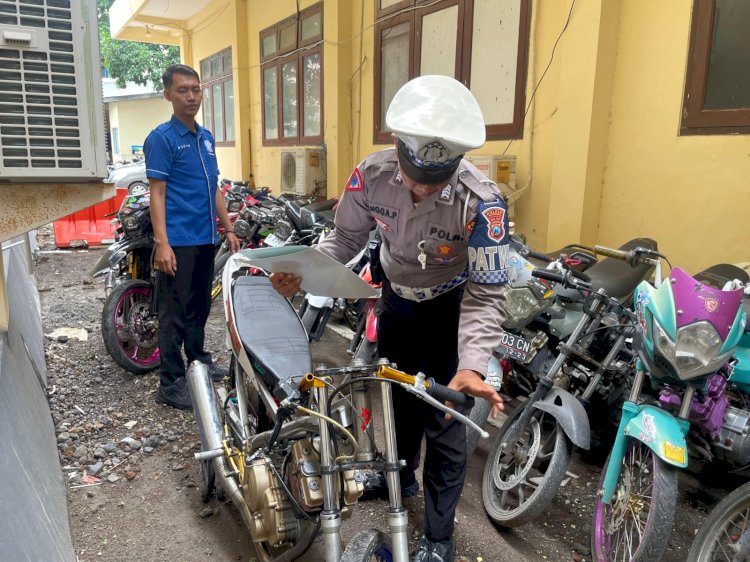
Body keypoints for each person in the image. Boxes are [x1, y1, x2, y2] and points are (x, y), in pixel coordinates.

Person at [270, 75, 508, 562]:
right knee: (395, 401)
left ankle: (440, 536)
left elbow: (486, 293)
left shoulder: (483, 204)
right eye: (413, 171)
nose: (420, 187)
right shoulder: (370, 175)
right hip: (396, 304)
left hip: (450, 312)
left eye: (434, 179)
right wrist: (301, 269)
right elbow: (344, 241)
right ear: (396, 143)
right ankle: (399, 476)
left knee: (444, 421)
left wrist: (473, 365)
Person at [144, 64, 240, 410]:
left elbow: (213, 187)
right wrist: (163, 244)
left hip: (203, 239)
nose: (191, 96)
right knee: (173, 313)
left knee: (200, 305)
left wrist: (227, 227)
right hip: (177, 241)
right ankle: (170, 383)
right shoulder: (162, 139)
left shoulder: (206, 138)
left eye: (196, 90)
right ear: (168, 94)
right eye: (182, 90)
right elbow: (157, 193)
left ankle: (198, 360)